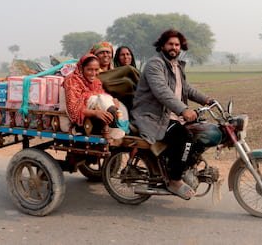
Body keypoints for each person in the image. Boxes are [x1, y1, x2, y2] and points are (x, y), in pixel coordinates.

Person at [131, 29, 214, 200]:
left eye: (177, 44)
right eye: (170, 44)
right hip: (152, 116)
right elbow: (162, 91)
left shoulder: (176, 65)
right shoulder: (155, 64)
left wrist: (206, 99)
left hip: (171, 115)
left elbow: (186, 88)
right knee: (185, 138)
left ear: (181, 47)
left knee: (199, 133)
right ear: (162, 45)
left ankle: (181, 167)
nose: (174, 47)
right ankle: (174, 180)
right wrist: (183, 110)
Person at [62, 53, 125, 139]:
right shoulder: (71, 81)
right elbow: (73, 110)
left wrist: (113, 103)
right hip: (81, 119)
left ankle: (113, 118)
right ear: (81, 68)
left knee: (109, 99)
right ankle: (111, 120)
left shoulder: (96, 82)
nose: (93, 73)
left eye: (96, 70)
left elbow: (102, 95)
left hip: (97, 114)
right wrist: (95, 113)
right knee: (95, 98)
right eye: (90, 70)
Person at [91, 42, 140, 111]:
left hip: (126, 105)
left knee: (127, 82)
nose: (105, 55)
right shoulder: (93, 72)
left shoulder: (114, 71)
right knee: (128, 69)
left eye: (108, 52)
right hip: (106, 102)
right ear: (95, 56)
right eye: (101, 53)